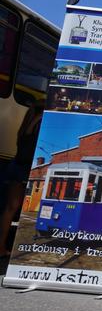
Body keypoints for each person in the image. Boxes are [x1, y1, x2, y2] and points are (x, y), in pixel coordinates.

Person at [0, 102, 43, 257]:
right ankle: (27, 248)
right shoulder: (41, 122)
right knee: (30, 210)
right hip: (25, 170)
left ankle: (1, 246)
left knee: (9, 209)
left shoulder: (27, 123)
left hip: (15, 166)